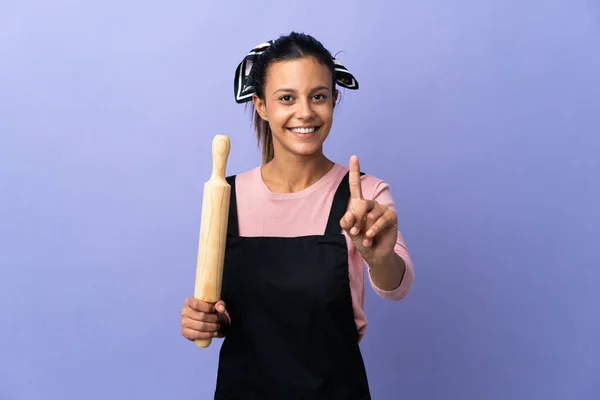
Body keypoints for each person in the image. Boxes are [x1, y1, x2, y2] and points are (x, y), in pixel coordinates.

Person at [180, 31, 415, 399]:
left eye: (318, 96)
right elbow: (226, 310)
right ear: (261, 105)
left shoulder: (363, 194)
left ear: (334, 100)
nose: (305, 112)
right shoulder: (227, 196)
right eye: (286, 98)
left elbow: (397, 285)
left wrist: (380, 257)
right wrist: (209, 320)